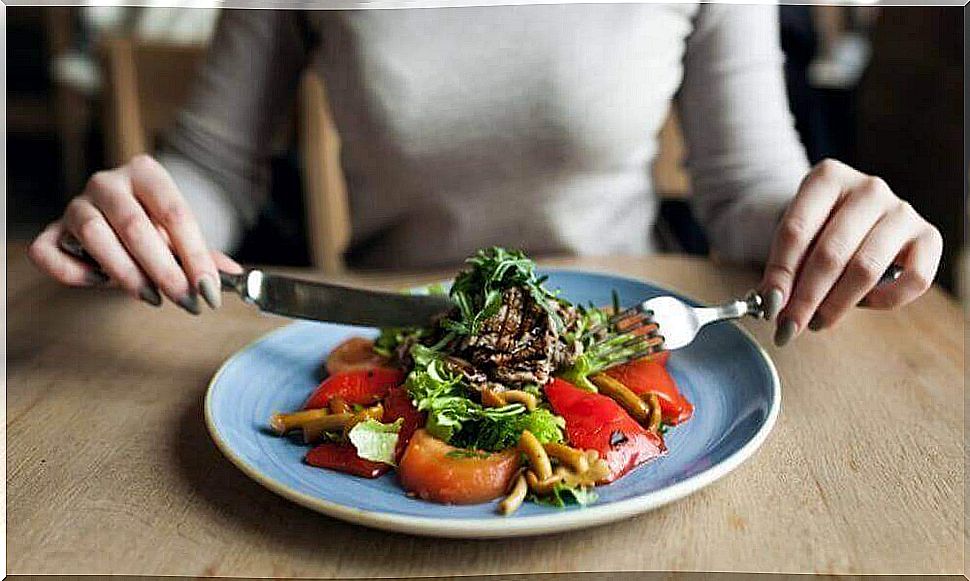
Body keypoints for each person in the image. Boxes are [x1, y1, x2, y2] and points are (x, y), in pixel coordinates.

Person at [28, 5, 942, 347]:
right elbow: (217, 170)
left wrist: (832, 225)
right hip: (393, 339)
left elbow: (749, 189)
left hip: (623, 335)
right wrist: (147, 217)